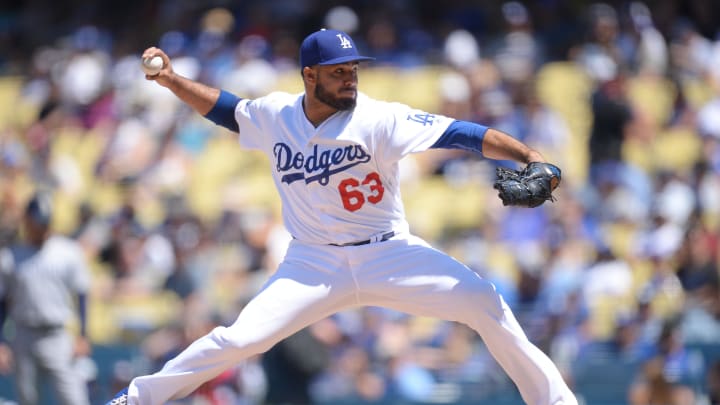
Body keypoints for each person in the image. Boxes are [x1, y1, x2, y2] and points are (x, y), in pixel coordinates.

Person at [106, 28, 577, 405]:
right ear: (310, 75)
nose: (350, 78)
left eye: (353, 68)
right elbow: (227, 109)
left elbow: (462, 134)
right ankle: (136, 399)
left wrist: (528, 153)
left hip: (388, 253)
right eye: (338, 71)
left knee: (483, 300)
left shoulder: (378, 118)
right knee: (237, 340)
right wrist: (170, 81)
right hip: (312, 264)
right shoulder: (276, 114)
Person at [0, 192, 92, 405]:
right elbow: (2, 303)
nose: (41, 228)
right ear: (27, 221)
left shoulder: (67, 252)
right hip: (23, 332)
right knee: (28, 398)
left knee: (73, 398)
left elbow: (81, 294)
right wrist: (2, 342)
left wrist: (83, 334)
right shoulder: (11, 256)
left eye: (44, 222)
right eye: (36, 222)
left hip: (56, 334)